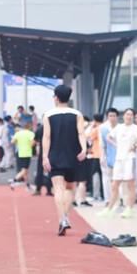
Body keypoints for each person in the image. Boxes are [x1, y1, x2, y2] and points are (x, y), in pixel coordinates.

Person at [42, 85, 86, 236]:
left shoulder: (48, 115)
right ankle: (65, 216)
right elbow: (81, 133)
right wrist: (84, 149)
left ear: (56, 97)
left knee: (58, 188)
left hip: (55, 155)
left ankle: (62, 219)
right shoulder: (77, 114)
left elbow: (47, 137)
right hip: (73, 154)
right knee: (70, 187)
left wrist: (45, 157)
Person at [99, 108, 137, 218]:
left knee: (130, 184)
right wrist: (116, 145)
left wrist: (135, 145)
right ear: (124, 116)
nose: (129, 116)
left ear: (133, 117)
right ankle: (109, 209)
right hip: (119, 159)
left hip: (130, 159)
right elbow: (108, 137)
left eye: (131, 115)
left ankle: (129, 208)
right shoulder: (119, 127)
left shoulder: (135, 128)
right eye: (127, 114)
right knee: (115, 184)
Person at [99, 108, 119, 204]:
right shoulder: (103, 128)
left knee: (117, 178)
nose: (112, 118)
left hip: (119, 157)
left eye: (114, 116)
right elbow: (102, 144)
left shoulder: (120, 127)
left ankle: (118, 199)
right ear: (107, 116)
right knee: (106, 178)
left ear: (117, 117)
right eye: (110, 116)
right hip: (107, 156)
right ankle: (108, 199)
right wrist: (102, 157)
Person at [73, 115, 93, 207]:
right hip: (82, 160)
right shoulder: (82, 136)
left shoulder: (70, 135)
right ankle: (82, 200)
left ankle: (73, 200)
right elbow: (88, 149)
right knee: (82, 181)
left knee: (73, 181)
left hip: (72, 160)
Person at [10, 123, 35, 190]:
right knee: (24, 170)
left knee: (25, 171)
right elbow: (33, 143)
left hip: (20, 153)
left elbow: (12, 141)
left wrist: (19, 143)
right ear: (30, 127)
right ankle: (14, 181)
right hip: (27, 153)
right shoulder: (30, 133)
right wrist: (29, 145)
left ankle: (28, 185)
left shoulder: (18, 133)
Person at [31, 121, 53, 197]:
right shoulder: (53, 128)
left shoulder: (40, 129)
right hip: (52, 152)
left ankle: (38, 189)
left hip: (42, 152)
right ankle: (49, 190)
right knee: (50, 171)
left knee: (40, 171)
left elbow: (33, 142)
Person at [86, 114, 104, 201]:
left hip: (97, 155)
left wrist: (91, 126)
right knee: (102, 175)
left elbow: (87, 136)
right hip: (102, 155)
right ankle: (102, 194)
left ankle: (96, 194)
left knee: (94, 175)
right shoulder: (104, 127)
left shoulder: (97, 129)